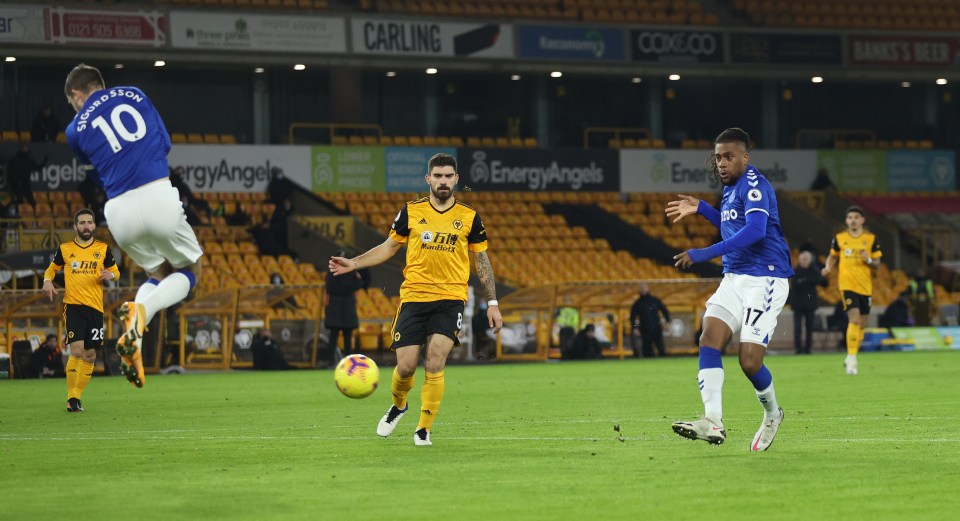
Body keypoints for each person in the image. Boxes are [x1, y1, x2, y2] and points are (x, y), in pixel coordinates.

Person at [328, 152, 502, 446]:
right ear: (428, 179)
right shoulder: (410, 212)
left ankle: (423, 428)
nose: (443, 181)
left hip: (450, 298)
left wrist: (493, 303)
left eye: (448, 176)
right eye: (438, 176)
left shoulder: (469, 217)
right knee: (406, 367)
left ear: (456, 179)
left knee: (435, 361)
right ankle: (399, 405)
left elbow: (481, 261)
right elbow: (388, 248)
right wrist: (354, 263)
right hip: (414, 297)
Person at [64, 63, 204, 389]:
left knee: (157, 274)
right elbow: (165, 143)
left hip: (118, 211)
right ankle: (141, 313)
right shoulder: (135, 94)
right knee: (194, 267)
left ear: (76, 94)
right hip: (156, 193)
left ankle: (134, 336)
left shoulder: (74, 129)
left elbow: (94, 166)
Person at [665, 128, 793, 451]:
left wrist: (703, 253)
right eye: (718, 157)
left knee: (749, 361)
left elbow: (754, 231)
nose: (721, 163)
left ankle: (772, 413)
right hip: (734, 278)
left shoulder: (754, 186)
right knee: (708, 337)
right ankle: (713, 421)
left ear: (745, 158)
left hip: (765, 279)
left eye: (729, 156)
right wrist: (704, 209)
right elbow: (730, 221)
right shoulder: (731, 188)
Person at [42, 208, 121, 412]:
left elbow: (116, 271)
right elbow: (52, 268)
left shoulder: (103, 249)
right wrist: (47, 280)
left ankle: (77, 396)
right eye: (82, 223)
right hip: (74, 306)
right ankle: (72, 399)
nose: (86, 226)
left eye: (89, 222)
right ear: (75, 226)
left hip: (95, 308)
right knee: (76, 350)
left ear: (94, 225)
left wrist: (111, 276)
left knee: (91, 355)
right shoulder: (65, 249)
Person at [821, 205, 881, 375]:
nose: (853, 220)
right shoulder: (840, 238)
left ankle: (852, 355)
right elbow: (833, 256)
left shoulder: (870, 240)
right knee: (854, 319)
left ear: (862, 220)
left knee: (862, 323)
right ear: (846, 221)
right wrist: (828, 267)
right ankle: (852, 357)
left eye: (856, 217)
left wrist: (868, 260)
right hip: (847, 285)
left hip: (865, 287)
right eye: (850, 218)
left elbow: (877, 264)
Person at [324, 252, 369, 364]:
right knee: (335, 336)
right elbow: (330, 288)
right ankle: (330, 361)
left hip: (345, 309)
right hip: (339, 309)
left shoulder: (349, 272)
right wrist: (348, 289)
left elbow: (360, 283)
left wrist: (342, 289)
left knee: (346, 337)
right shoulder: (333, 272)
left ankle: (348, 362)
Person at [790, 251, 827, 354]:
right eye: (803, 259)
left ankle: (808, 348)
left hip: (810, 304)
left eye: (807, 259)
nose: (805, 261)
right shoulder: (796, 270)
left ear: (810, 260)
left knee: (809, 327)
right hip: (798, 304)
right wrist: (809, 281)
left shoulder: (814, 270)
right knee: (797, 327)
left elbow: (823, 282)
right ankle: (798, 348)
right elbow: (796, 284)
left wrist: (806, 280)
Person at [629, 282, 671, 358]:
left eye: (644, 287)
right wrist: (635, 328)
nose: (643, 289)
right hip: (645, 330)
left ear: (647, 288)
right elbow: (633, 317)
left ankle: (664, 367)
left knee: (661, 350)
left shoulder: (655, 300)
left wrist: (667, 322)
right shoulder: (638, 303)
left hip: (656, 329)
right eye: (641, 288)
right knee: (647, 352)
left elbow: (665, 311)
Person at [6, 143, 43, 207]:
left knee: (31, 202)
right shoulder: (15, 160)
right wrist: (15, 182)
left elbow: (38, 169)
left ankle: (33, 214)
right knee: (21, 202)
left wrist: (44, 162)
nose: (26, 150)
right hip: (17, 185)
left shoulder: (29, 160)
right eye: (25, 149)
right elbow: (9, 173)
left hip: (24, 185)